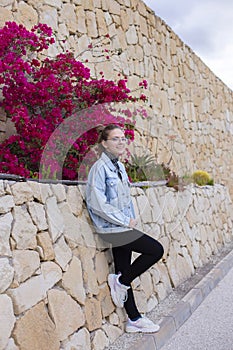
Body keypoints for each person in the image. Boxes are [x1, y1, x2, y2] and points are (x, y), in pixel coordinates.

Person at [85, 124, 164, 333]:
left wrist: (131, 216)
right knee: (155, 250)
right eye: (115, 139)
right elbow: (97, 203)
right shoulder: (99, 168)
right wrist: (123, 220)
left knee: (123, 266)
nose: (121, 142)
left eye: (123, 138)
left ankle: (134, 319)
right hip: (112, 228)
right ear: (104, 143)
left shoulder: (118, 166)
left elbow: (124, 196)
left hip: (121, 224)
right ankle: (120, 281)